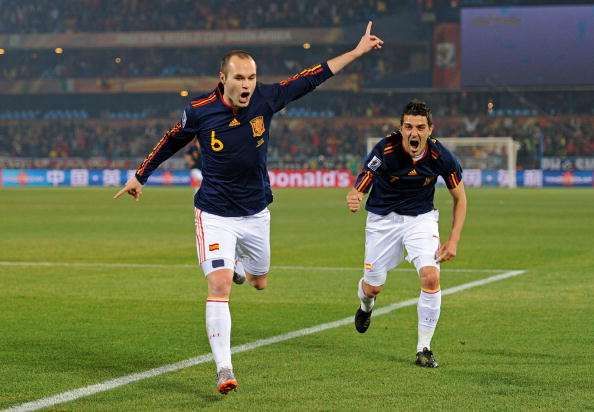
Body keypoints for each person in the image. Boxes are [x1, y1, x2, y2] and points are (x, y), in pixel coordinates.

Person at [114, 22, 383, 394]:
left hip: (256, 212)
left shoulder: (266, 99)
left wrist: (355, 52)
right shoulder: (199, 111)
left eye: (252, 77)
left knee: (259, 281)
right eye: (239, 78)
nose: (246, 85)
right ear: (222, 79)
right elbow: (170, 140)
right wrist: (139, 175)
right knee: (219, 285)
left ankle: (240, 267)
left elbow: (311, 78)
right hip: (214, 213)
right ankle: (224, 368)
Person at [346, 100, 467, 368]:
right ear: (401, 129)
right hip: (382, 221)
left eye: (420, 127)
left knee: (431, 276)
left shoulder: (440, 156)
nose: (414, 133)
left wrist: (453, 239)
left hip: (420, 220)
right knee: (373, 287)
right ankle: (366, 307)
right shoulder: (385, 149)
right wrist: (355, 195)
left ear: (430, 129)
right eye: (409, 126)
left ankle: (424, 347)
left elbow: (460, 198)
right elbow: (364, 178)